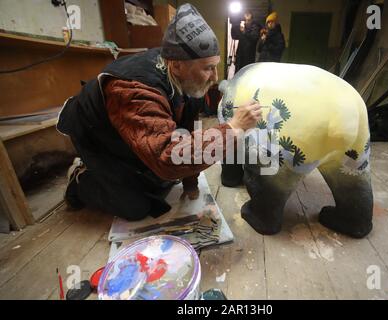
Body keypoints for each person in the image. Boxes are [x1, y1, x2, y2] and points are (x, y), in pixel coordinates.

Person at [57, 3, 262, 221]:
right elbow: (166, 156)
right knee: (136, 207)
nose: (214, 77)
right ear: (176, 66)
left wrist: (189, 181)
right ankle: (81, 179)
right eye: (207, 68)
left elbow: (187, 131)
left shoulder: (187, 79)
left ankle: (125, 171)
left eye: (215, 66)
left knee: (162, 182)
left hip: (130, 129)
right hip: (97, 136)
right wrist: (233, 128)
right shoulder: (135, 90)